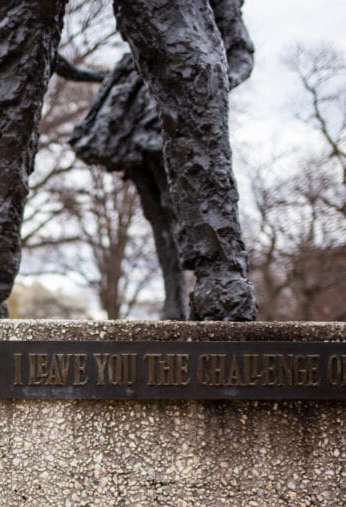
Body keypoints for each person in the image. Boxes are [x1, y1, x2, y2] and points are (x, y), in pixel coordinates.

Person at [0, 0, 258, 320]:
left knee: (186, 59)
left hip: (161, 122)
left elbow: (215, 63)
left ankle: (221, 275)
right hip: (143, 129)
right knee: (6, 73)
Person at [65, 0, 253, 320]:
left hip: (181, 114)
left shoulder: (219, 12)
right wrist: (73, 71)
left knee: (182, 204)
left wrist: (204, 88)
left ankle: (211, 289)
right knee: (156, 212)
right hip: (138, 120)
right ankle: (174, 299)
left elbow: (239, 57)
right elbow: (123, 73)